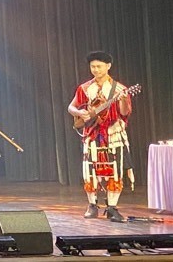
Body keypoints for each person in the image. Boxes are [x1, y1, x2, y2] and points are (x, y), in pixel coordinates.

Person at [67, 51, 133, 222]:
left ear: (108, 66)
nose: (95, 70)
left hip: (113, 134)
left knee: (115, 171)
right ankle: (92, 205)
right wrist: (80, 112)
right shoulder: (85, 88)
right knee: (90, 171)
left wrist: (124, 100)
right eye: (93, 67)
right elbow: (71, 107)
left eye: (99, 66)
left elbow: (125, 112)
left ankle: (112, 207)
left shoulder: (119, 89)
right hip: (92, 135)